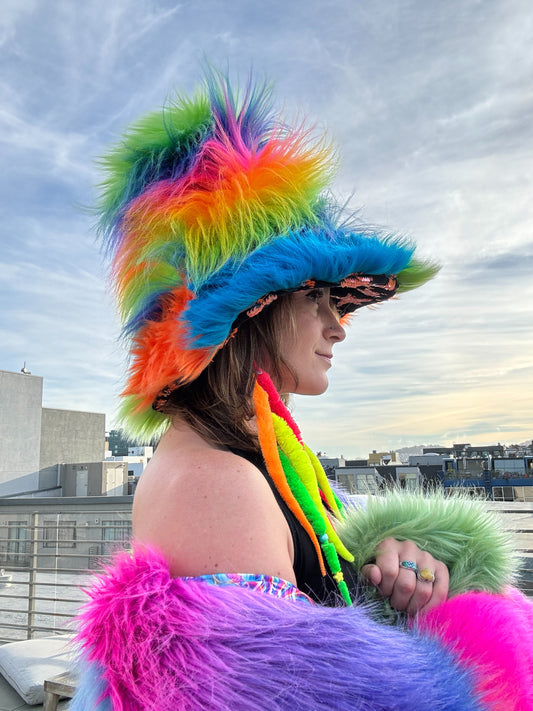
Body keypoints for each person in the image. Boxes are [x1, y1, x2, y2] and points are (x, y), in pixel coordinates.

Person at [70, 68, 533, 711]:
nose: (338, 326)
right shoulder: (218, 484)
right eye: (316, 296)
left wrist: (385, 575)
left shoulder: (256, 461)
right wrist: (479, 653)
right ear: (249, 310)